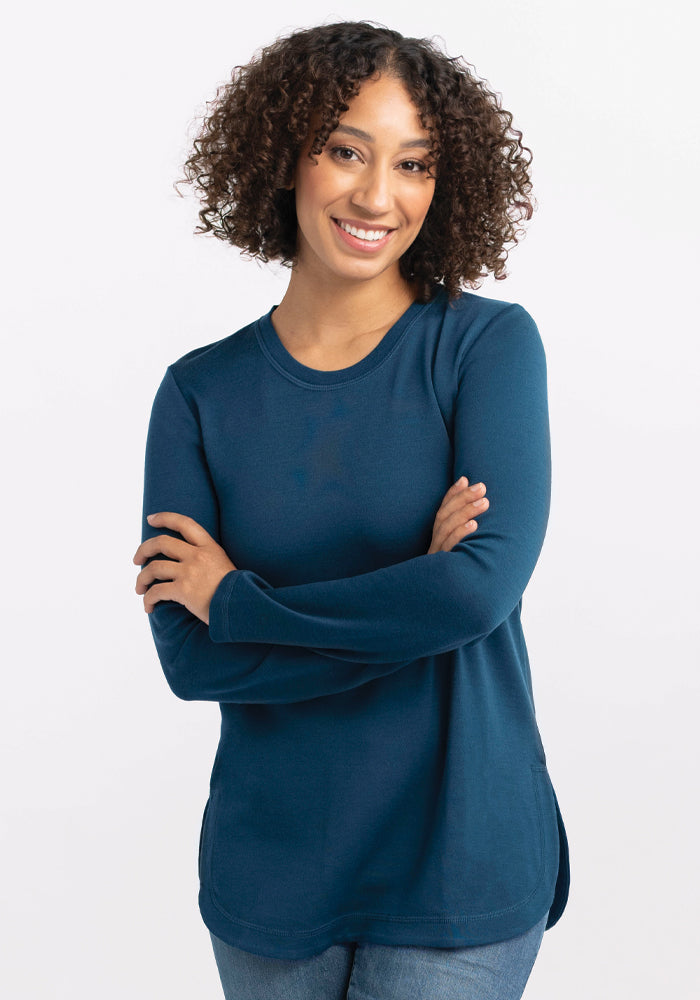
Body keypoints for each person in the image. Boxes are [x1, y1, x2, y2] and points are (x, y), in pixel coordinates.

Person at [132, 20, 570, 1000]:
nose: (378, 196)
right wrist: (414, 585)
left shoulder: (485, 350)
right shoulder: (199, 394)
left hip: (460, 864)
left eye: (413, 164)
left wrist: (239, 600)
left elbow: (472, 597)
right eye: (345, 150)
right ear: (282, 153)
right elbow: (189, 659)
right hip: (270, 875)